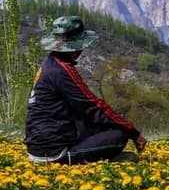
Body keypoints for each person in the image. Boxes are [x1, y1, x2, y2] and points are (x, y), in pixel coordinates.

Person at [25, 16, 147, 165]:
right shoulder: (62, 71)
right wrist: (132, 132)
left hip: (38, 146)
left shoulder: (49, 64)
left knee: (101, 125)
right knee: (119, 135)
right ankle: (86, 161)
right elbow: (92, 105)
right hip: (54, 152)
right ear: (76, 47)